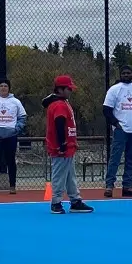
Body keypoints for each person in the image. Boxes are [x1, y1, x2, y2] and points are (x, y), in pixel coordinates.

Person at [43, 75, 93, 214]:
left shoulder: (63, 102)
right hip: (61, 148)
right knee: (59, 175)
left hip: (68, 147)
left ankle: (75, 200)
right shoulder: (59, 105)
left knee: (70, 175)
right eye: (68, 89)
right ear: (60, 89)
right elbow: (59, 123)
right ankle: (56, 202)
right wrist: (62, 143)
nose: (70, 91)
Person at [103, 65, 132, 197]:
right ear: (120, 74)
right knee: (115, 158)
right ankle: (109, 185)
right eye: (124, 73)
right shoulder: (114, 90)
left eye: (129, 73)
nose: (126, 75)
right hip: (120, 130)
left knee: (131, 158)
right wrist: (116, 124)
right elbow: (106, 109)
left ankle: (127, 186)